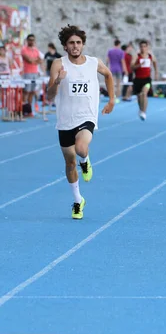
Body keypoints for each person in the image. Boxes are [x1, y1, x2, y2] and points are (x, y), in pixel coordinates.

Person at [46, 25, 115, 219]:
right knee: (69, 163)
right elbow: (49, 95)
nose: (75, 46)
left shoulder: (94, 62)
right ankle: (78, 201)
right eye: (71, 43)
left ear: (83, 44)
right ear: (65, 46)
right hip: (65, 120)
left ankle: (85, 161)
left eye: (78, 43)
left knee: (81, 148)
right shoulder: (58, 65)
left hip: (87, 116)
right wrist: (58, 81)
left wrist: (111, 99)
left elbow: (109, 75)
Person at [130, 40, 158, 120]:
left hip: (147, 79)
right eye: (141, 47)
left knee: (144, 93)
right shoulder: (136, 56)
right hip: (138, 79)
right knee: (139, 96)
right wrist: (139, 65)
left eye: (144, 46)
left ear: (147, 47)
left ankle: (144, 112)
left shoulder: (150, 56)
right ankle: (141, 109)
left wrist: (156, 73)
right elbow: (131, 67)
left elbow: (155, 63)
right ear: (139, 47)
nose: (143, 48)